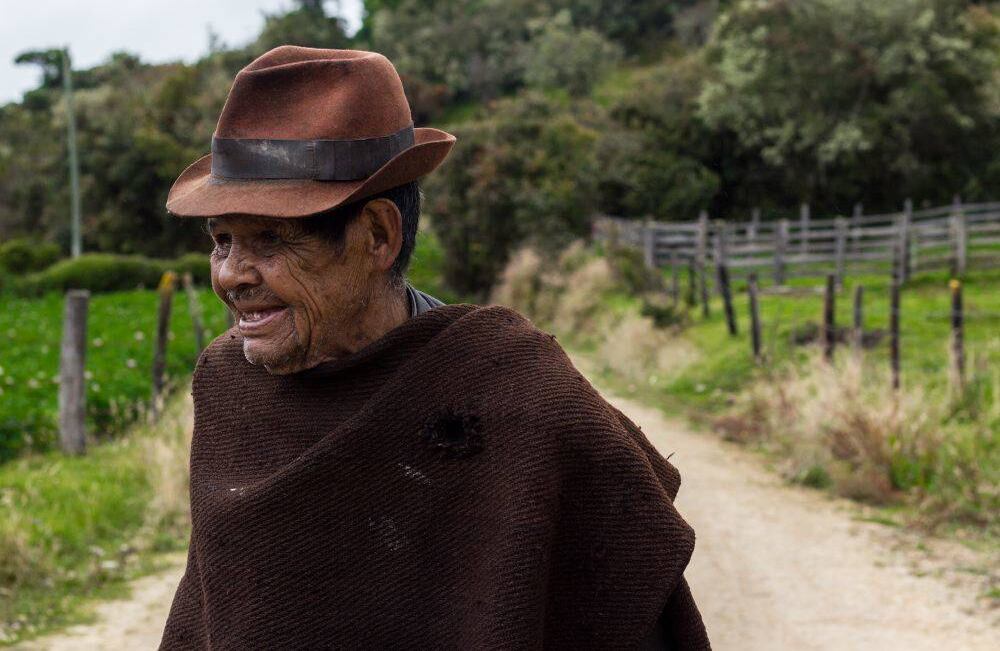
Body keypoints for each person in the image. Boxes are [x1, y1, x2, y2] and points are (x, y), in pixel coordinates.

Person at [159, 45, 710, 650]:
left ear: (376, 236)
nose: (231, 274)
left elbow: (631, 611)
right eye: (221, 241)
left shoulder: (519, 398)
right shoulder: (228, 387)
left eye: (269, 241)